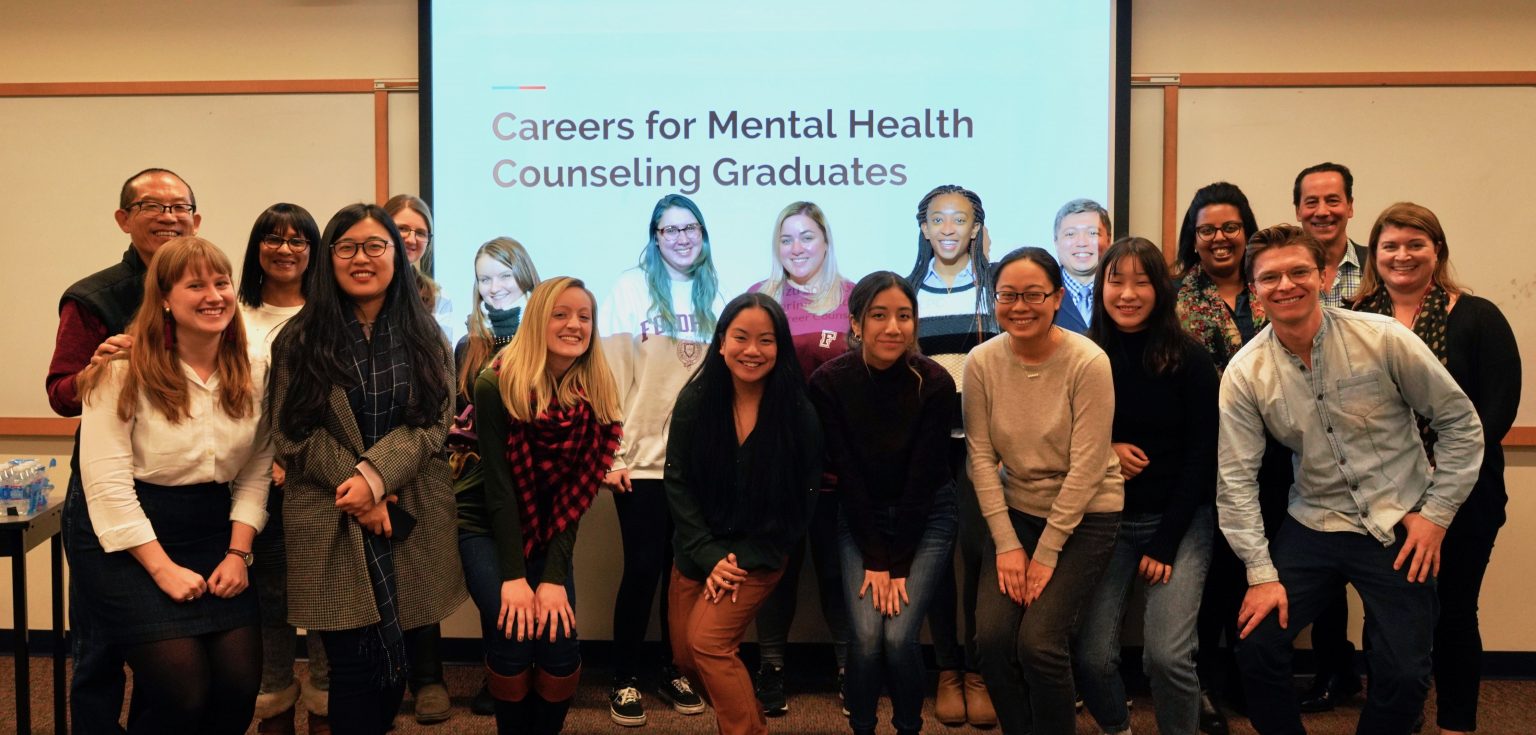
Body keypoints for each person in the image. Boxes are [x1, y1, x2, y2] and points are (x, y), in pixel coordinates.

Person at [1216, 223, 1483, 734]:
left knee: (1405, 674)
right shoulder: (1245, 373)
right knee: (1257, 646)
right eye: (1270, 277)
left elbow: (1461, 424)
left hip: (1399, 520)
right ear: (1255, 291)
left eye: (1299, 271)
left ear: (1322, 276)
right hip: (1313, 521)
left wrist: (1437, 517)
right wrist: (1261, 573)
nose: (1286, 285)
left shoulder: (1382, 338)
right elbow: (1236, 480)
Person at [268, 203, 467, 735]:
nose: (362, 258)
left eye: (376, 246)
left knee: (394, 667)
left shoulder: (427, 335)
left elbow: (434, 423)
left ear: (398, 257)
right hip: (331, 516)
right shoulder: (300, 339)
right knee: (352, 668)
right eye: (348, 247)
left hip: (411, 516)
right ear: (329, 258)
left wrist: (375, 479)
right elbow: (291, 433)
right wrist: (357, 486)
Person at [75, 236, 269, 733]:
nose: (214, 295)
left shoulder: (254, 370)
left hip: (211, 529)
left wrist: (238, 554)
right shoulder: (118, 371)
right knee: (183, 691)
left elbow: (256, 469)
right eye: (195, 284)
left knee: (238, 689)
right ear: (163, 297)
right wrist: (163, 571)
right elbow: (108, 487)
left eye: (221, 282)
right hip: (126, 541)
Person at [1350, 203, 1522, 735]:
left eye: (1415, 244)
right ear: (1374, 257)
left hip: (1465, 499)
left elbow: (1496, 411)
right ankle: (1392, 721)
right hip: (1384, 500)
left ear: (1437, 251)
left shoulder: (1478, 316)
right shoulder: (1353, 320)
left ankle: (1455, 725)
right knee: (1384, 622)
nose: (1402, 255)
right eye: (1390, 246)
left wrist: (1440, 485)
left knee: (1452, 615)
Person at [46, 167, 201, 733]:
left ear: (197, 218)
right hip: (106, 489)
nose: (168, 216)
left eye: (179, 206)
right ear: (123, 219)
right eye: (152, 206)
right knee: (99, 648)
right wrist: (96, 371)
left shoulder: (207, 288)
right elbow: (61, 395)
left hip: (181, 496)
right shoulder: (93, 297)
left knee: (172, 652)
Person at [969, 246, 1123, 735]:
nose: (1020, 306)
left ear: (1057, 297)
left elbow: (1089, 467)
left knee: (1039, 643)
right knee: (991, 640)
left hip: (1087, 515)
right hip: (1018, 513)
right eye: (1007, 295)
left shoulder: (1088, 361)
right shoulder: (981, 362)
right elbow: (980, 458)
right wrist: (1008, 544)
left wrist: (1048, 551)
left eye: (1034, 294)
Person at [468, 276, 624, 734]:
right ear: (538, 320)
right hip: (485, 523)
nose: (574, 325)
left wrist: (553, 578)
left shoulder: (595, 387)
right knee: (512, 632)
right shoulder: (494, 382)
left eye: (584, 317)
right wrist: (515, 578)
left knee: (557, 643)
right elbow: (499, 491)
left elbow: (574, 498)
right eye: (561, 314)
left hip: (551, 522)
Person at [1076, 238, 1218, 735]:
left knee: (1167, 657)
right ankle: (1119, 727)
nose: (1128, 294)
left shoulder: (1192, 360)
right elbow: (1063, 436)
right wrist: (1107, 447)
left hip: (1180, 522)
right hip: (1106, 522)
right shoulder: (1083, 355)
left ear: (1161, 289)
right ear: (1101, 288)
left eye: (1141, 282)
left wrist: (1164, 541)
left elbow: (1204, 457)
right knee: (1091, 658)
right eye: (1116, 281)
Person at [666, 292, 823, 735]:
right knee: (686, 656)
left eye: (765, 341)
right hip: (698, 551)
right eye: (740, 337)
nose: (752, 350)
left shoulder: (798, 414)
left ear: (780, 348)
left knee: (709, 645)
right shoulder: (696, 401)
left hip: (756, 555)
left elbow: (804, 497)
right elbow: (676, 481)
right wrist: (708, 553)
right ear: (720, 342)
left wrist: (742, 556)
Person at [809, 272, 957, 735]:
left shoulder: (933, 381)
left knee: (898, 636)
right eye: (879, 315)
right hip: (861, 517)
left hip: (928, 514)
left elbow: (922, 480)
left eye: (904, 316)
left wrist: (897, 563)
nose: (893, 327)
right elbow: (847, 477)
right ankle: (864, 726)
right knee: (868, 637)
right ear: (855, 323)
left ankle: (910, 726)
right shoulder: (829, 382)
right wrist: (875, 555)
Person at [600, 193, 719, 725]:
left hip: (698, 463)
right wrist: (613, 455)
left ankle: (675, 670)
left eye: (690, 227)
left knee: (684, 573)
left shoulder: (719, 291)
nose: (681, 237)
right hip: (641, 460)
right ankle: (623, 675)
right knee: (644, 568)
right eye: (669, 230)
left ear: (703, 233)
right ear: (654, 237)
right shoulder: (629, 289)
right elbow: (610, 380)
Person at [1173, 181, 1286, 735]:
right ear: (1192, 239)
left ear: (1247, 230)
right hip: (1204, 458)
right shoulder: (1173, 297)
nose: (1219, 238)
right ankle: (1207, 680)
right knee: (1212, 580)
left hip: (1281, 457)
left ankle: (1249, 672)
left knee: (1260, 571)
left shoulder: (1277, 285)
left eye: (1230, 227)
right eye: (1207, 230)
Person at [748, 201, 852, 715]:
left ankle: (848, 669)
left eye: (807, 237)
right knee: (776, 573)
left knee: (836, 574)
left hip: (839, 466)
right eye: (786, 239)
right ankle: (771, 669)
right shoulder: (758, 301)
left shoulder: (855, 300)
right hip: (776, 468)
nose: (797, 248)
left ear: (826, 241)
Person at [237, 203, 333, 734]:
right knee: (266, 603)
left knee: (320, 599)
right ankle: (273, 702)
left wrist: (292, 460)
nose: (286, 249)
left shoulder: (327, 317)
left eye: (299, 241)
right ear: (256, 248)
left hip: (315, 481)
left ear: (313, 252)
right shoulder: (232, 312)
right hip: (246, 482)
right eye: (273, 238)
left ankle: (323, 704)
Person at [903, 184, 996, 727]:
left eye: (958, 219)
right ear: (923, 227)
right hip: (929, 449)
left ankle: (979, 669)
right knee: (937, 560)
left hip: (987, 448)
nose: (947, 229)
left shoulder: (997, 289)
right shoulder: (907, 292)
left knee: (981, 556)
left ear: (976, 228)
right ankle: (947, 669)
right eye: (936, 219)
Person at [450, 236, 541, 714]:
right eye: (486, 279)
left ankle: (523, 681)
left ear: (525, 276)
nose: (496, 287)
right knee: (498, 600)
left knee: (534, 603)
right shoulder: (469, 345)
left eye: (505, 275)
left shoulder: (549, 338)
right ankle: (501, 674)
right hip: (478, 494)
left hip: (536, 495)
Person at [386, 192, 459, 355]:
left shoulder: (438, 296)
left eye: (420, 233)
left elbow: (442, 361)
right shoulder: (365, 287)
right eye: (402, 229)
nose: (412, 239)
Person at [1051, 198, 1112, 334]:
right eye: (1070, 234)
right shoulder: (1043, 293)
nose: (1082, 243)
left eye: (1092, 233)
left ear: (1109, 240)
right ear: (1056, 242)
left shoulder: (1122, 293)